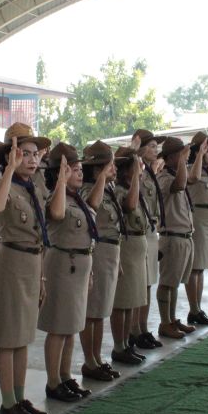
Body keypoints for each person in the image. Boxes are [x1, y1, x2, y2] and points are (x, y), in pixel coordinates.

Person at [0, 122, 54, 414]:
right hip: (12, 261)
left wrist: (41, 276)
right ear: (10, 156)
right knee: (8, 336)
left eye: (35, 154)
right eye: (24, 153)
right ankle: (7, 403)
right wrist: (9, 170)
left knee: (24, 336)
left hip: (32, 261)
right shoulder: (4, 183)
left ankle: (19, 397)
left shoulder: (34, 186)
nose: (32, 159)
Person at [37, 142, 92, 402]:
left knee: (71, 326)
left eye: (80, 169)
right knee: (59, 327)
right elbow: (57, 214)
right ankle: (53, 382)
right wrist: (61, 180)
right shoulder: (55, 196)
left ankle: (65, 376)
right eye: (74, 169)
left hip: (78, 265)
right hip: (61, 265)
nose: (80, 173)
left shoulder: (77, 199)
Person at [79, 140, 126, 382]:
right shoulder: (89, 188)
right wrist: (101, 179)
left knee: (100, 311)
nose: (115, 170)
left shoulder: (108, 189)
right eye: (110, 166)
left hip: (110, 251)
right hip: (97, 252)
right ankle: (89, 360)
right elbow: (92, 207)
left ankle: (97, 358)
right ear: (98, 169)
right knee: (92, 311)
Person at [156, 136, 202, 340]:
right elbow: (181, 184)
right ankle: (165, 322)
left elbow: (192, 178)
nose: (186, 157)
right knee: (167, 283)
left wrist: (188, 158)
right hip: (172, 237)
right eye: (181, 154)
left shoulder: (177, 173)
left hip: (184, 236)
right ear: (171, 157)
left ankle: (172, 319)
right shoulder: (165, 178)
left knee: (174, 283)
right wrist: (183, 160)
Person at [110, 146, 147, 366]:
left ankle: (127, 343)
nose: (141, 169)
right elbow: (130, 206)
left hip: (137, 247)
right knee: (122, 301)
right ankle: (119, 346)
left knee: (132, 300)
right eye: (136, 166)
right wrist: (135, 179)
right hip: (127, 247)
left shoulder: (132, 187)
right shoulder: (119, 190)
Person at [130, 129, 164, 351]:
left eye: (156, 146)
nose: (156, 149)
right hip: (139, 230)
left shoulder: (150, 171)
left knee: (148, 282)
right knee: (139, 285)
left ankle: (142, 328)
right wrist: (133, 152)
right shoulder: (135, 169)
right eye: (151, 146)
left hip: (151, 231)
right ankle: (134, 330)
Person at [184, 131, 208, 327]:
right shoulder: (191, 168)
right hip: (198, 217)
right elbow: (193, 178)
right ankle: (194, 309)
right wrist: (199, 154)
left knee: (201, 268)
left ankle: (197, 308)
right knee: (195, 267)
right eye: (207, 150)